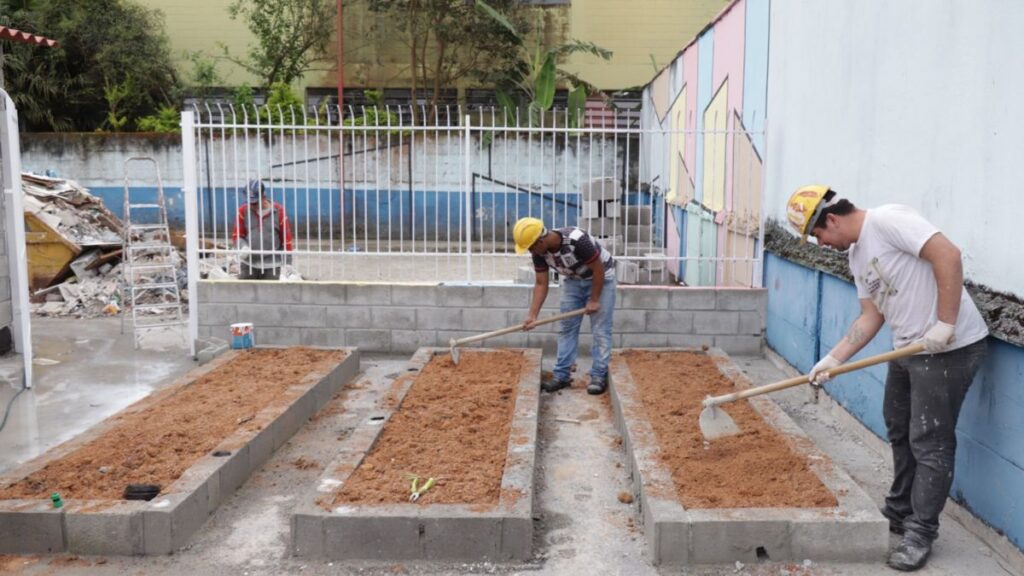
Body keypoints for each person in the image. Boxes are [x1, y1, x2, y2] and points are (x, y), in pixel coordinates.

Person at [788, 186, 988, 572]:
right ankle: (899, 510)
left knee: (930, 440)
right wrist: (832, 359)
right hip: (910, 347)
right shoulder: (857, 254)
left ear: (830, 219)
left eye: (817, 236)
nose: (820, 245)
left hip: (948, 348)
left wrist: (945, 323)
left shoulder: (888, 220)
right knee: (898, 425)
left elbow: (947, 254)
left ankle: (920, 533)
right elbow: (870, 316)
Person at [513, 217, 616, 395]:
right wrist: (532, 315)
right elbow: (540, 283)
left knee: (600, 329)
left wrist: (594, 299)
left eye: (531, 246)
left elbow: (598, 270)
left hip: (602, 278)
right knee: (567, 328)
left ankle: (599, 375)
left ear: (540, 240)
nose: (530, 251)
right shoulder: (538, 251)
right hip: (574, 280)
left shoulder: (577, 240)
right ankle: (562, 375)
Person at [231, 180, 294, 280]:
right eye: (249, 202)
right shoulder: (243, 211)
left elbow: (286, 240)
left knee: (269, 294)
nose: (252, 206)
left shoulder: (278, 211)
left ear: (264, 197)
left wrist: (288, 263)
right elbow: (237, 235)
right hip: (248, 265)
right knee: (245, 294)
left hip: (272, 265)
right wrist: (243, 246)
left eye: (255, 203)